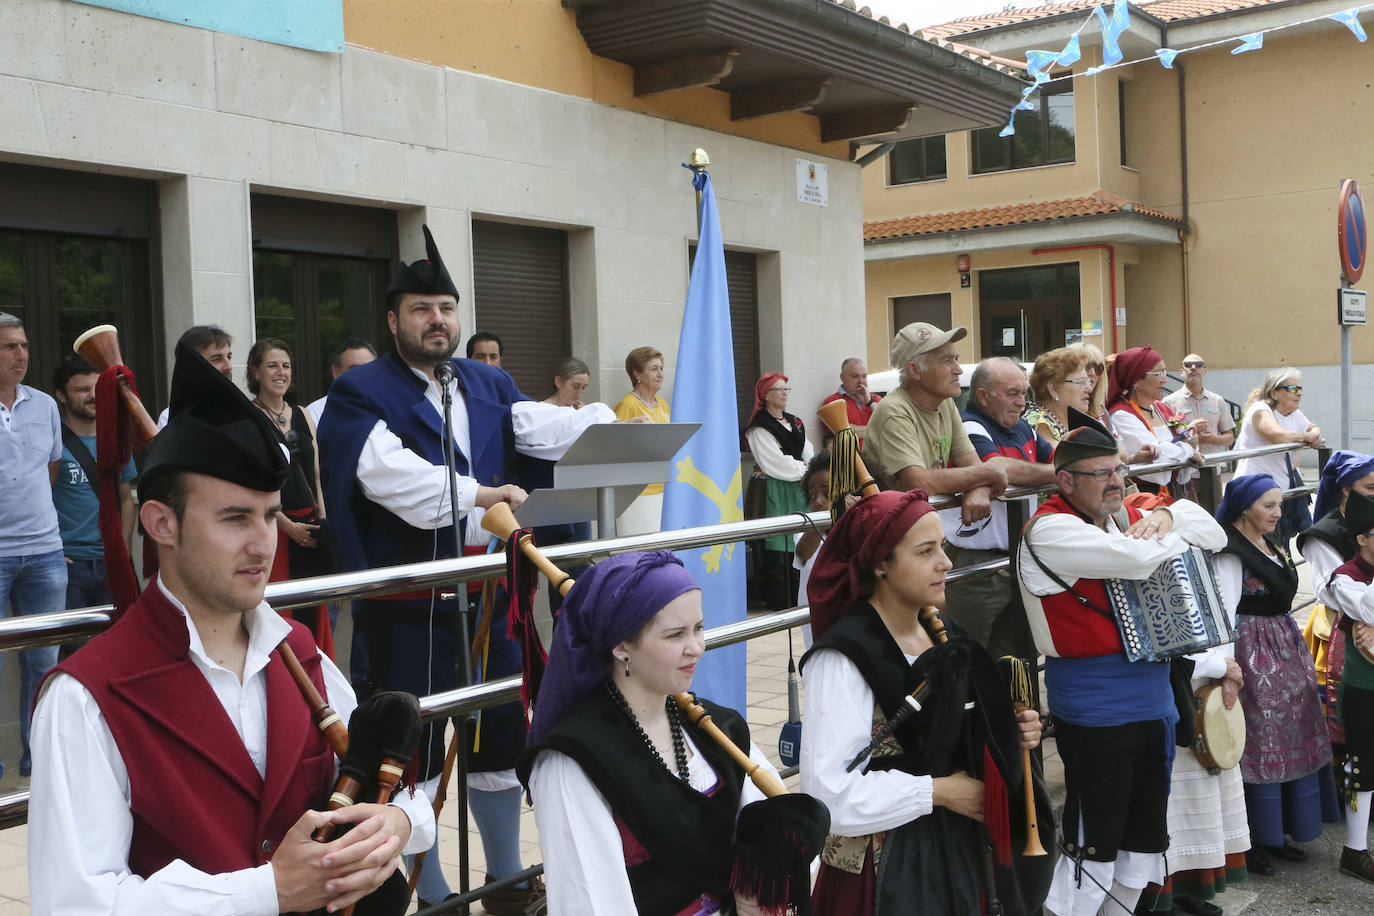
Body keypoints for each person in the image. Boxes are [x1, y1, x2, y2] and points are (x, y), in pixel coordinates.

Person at [28, 340, 434, 914]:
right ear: (161, 523)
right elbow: (77, 903)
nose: (262, 542)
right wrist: (270, 890)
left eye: (269, 515)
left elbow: (390, 787)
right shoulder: (86, 698)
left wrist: (396, 820)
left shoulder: (300, 652)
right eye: (234, 518)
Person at [317, 226, 612, 913]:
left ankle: (506, 881)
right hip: (406, 604)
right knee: (409, 749)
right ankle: (434, 892)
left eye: (446, 307)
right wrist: (483, 496)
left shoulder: (487, 380)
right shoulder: (360, 391)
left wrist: (605, 424)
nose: (437, 320)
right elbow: (392, 479)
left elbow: (537, 427)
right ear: (393, 321)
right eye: (421, 310)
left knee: (500, 735)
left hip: (488, 601)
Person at [520, 550, 827, 915]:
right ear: (621, 645)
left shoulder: (717, 729)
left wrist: (761, 882)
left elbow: (773, 837)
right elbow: (591, 901)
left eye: (698, 628)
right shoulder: (572, 760)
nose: (696, 647)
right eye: (674, 634)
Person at [1016, 409, 1227, 915]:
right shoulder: (1048, 530)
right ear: (1065, 480)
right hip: (1095, 705)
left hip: (1153, 701)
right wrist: (1165, 525)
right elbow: (1135, 559)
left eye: (1119, 470)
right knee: (1095, 846)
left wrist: (1170, 516)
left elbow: (1214, 533)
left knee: (1143, 842)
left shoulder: (1128, 514)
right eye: (1102, 474)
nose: (1117, 482)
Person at [801, 489, 1048, 915]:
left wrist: (1010, 731)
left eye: (944, 547)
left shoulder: (947, 634)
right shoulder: (842, 657)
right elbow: (828, 795)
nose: (946, 563)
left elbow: (961, 735)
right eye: (926, 551)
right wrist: (938, 792)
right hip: (881, 869)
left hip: (963, 855)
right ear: (880, 563)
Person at [1209, 474, 1336, 878]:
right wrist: (1228, 670)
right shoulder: (1230, 550)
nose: (1278, 512)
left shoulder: (1270, 542)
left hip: (1282, 644)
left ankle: (1277, 831)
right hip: (1250, 649)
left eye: (1280, 504)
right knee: (1256, 743)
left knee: (1291, 734)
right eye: (1268, 505)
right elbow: (1224, 613)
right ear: (1245, 507)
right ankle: (1248, 840)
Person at [1136, 484, 1252, 916]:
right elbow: (1164, 642)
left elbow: (1214, 534)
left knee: (1202, 802)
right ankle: (1158, 897)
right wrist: (1218, 667)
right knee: (1170, 806)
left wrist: (1226, 663)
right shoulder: (1136, 560)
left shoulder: (1186, 545)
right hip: (1171, 693)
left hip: (1203, 683)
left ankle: (1188, 891)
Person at [942, 358, 1055, 661]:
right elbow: (995, 468)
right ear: (983, 396)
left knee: (1016, 658)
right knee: (969, 658)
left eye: (1024, 393)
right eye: (1013, 393)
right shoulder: (969, 426)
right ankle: (972, 710)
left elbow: (1061, 458)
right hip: (975, 567)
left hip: (1016, 558)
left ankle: (1015, 709)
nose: (1022, 403)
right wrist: (1053, 472)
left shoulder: (1023, 428)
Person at [0, 311, 66, 782]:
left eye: (23, 346)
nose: (20, 355)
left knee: (44, 662)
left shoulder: (44, 404)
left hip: (44, 551)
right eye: (9, 347)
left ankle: (37, 761)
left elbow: (51, 470)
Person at [862, 322, 1007, 526]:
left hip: (918, 530)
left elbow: (973, 465)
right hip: (889, 537)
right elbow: (920, 482)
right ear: (914, 370)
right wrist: (988, 473)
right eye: (947, 361)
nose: (957, 370)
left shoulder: (945, 403)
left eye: (956, 359)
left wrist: (979, 488)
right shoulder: (893, 411)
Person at [246, 338, 332, 652]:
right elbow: (252, 484)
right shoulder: (248, 417)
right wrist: (287, 526)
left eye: (286, 366)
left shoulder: (303, 413)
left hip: (309, 527)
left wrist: (322, 522)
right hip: (273, 529)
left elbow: (316, 475)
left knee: (313, 610)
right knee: (280, 611)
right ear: (256, 372)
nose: (280, 372)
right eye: (272, 365)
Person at [51, 358, 137, 633]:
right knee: (73, 649)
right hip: (69, 565)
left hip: (110, 565)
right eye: (82, 390)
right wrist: (53, 552)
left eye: (96, 389)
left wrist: (121, 551)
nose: (92, 396)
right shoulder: (53, 443)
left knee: (119, 643)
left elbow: (127, 498)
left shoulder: (115, 440)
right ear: (61, 396)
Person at [1299, 451, 1374, 746]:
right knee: (1355, 732)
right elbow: (1332, 594)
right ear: (1346, 489)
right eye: (1370, 488)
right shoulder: (1322, 536)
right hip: (1346, 631)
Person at [1321, 490, 1374, 883]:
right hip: (1364, 688)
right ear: (1361, 538)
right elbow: (1369, 609)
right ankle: (1354, 851)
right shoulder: (1344, 579)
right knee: (1363, 767)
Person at [744, 372, 814, 609]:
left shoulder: (795, 422)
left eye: (786, 389)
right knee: (779, 538)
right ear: (766, 395)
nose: (784, 393)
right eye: (779, 389)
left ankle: (802, 593)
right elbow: (774, 462)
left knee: (802, 535)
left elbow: (807, 450)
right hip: (774, 487)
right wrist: (805, 471)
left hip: (800, 486)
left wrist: (810, 469)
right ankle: (781, 598)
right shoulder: (759, 428)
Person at [1233, 368, 1321, 547]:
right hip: (1253, 495)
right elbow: (1275, 435)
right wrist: (1306, 437)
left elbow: (1313, 428)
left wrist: (1315, 433)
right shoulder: (1261, 409)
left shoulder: (1293, 414)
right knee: (1259, 550)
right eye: (1293, 388)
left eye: (1300, 388)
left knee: (1279, 550)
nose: (1300, 393)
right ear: (1274, 392)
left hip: (1278, 494)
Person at [1106, 346, 1201, 496]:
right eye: (1158, 373)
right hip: (1145, 497)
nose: (1165, 379)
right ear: (1136, 379)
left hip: (1173, 492)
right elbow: (1157, 454)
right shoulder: (1121, 415)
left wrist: (1191, 443)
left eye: (1164, 372)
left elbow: (1179, 450)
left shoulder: (1161, 408)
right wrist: (1188, 451)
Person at [614, 346, 671, 535]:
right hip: (637, 493)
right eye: (654, 369)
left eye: (661, 368)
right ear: (637, 373)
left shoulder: (662, 404)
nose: (660, 374)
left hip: (664, 487)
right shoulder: (628, 404)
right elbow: (617, 447)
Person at [156, 324, 232, 429]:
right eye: (216, 359)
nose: (229, 366)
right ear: (193, 365)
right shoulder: (169, 419)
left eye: (229, 357)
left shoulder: (241, 412)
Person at [1024, 347, 1091, 443]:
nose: (1089, 389)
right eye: (1081, 381)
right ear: (1054, 389)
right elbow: (1061, 456)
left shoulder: (1068, 421)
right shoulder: (1040, 422)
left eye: (1088, 381)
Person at [306, 338, 377, 425]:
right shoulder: (314, 414)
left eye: (368, 368)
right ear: (336, 372)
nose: (362, 375)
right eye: (355, 369)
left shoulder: (389, 409)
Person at [820, 357, 880, 445]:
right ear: (842, 377)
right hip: (851, 457)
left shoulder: (876, 399)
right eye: (855, 376)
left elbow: (892, 424)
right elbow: (845, 433)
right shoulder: (832, 402)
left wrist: (870, 402)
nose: (861, 381)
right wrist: (880, 429)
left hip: (879, 457)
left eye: (864, 376)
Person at [1069, 342, 1108, 425]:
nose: (1092, 373)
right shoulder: (1061, 416)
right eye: (1086, 366)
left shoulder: (1101, 412)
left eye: (1098, 368)